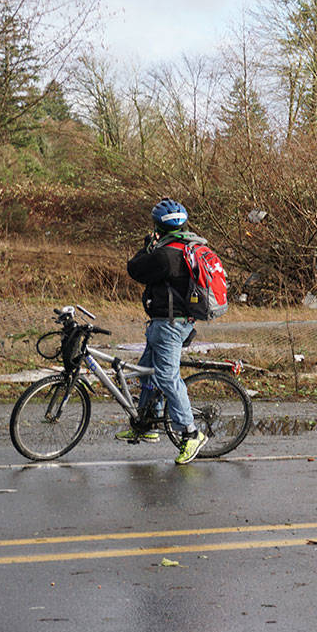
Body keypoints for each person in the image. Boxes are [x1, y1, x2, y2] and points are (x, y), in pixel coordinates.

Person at [117, 198, 209, 464]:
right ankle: (147, 424)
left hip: (171, 324)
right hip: (168, 322)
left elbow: (135, 269)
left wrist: (147, 245)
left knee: (167, 377)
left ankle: (191, 433)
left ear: (158, 225)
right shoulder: (185, 246)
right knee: (147, 370)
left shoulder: (164, 254)